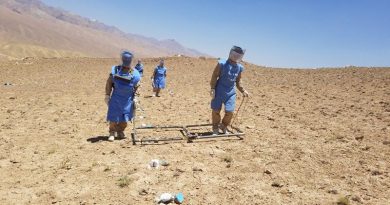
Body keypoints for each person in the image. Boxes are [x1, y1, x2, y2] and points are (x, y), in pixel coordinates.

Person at [210, 46, 249, 135]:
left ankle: (223, 126)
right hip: (219, 91)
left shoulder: (239, 68)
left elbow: (238, 81)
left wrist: (243, 90)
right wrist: (212, 88)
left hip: (230, 93)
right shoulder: (222, 64)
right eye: (234, 55)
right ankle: (215, 128)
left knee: (230, 111)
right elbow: (215, 76)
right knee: (216, 110)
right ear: (230, 53)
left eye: (238, 56)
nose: (235, 57)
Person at [105, 51, 141, 142]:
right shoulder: (115, 71)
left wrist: (136, 97)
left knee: (125, 117)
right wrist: (107, 95)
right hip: (116, 98)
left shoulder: (135, 74)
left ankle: (120, 130)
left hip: (128, 100)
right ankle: (112, 132)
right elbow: (109, 83)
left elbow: (137, 86)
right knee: (113, 116)